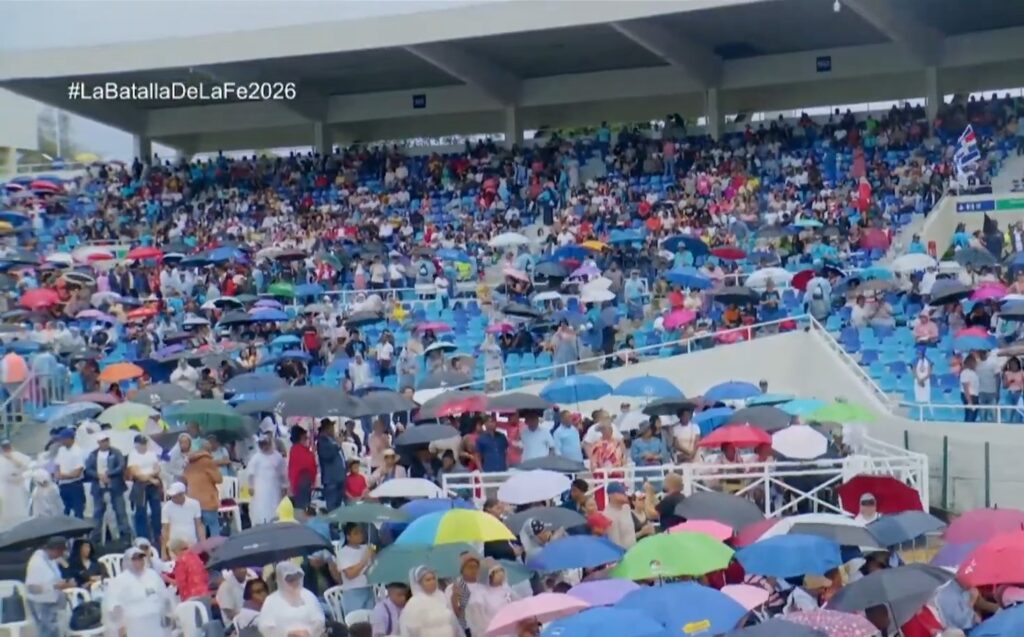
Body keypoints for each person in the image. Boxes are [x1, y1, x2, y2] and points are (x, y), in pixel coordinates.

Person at [104, 547, 172, 637]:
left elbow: (164, 595)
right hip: (133, 623)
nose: (139, 561)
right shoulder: (120, 580)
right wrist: (121, 626)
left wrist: (168, 614)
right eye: (135, 559)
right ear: (128, 561)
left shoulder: (152, 574)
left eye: (141, 558)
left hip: (155, 619)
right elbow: (114, 605)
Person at [257, 561, 326, 637]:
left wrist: (309, 632)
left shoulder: (308, 595)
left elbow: (319, 619)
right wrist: (287, 633)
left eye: (296, 578)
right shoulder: (271, 600)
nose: (294, 582)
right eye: (290, 579)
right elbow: (265, 627)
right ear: (281, 579)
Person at [25, 536, 74, 637]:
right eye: (61, 552)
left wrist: (63, 583)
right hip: (41, 603)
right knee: (47, 632)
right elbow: (31, 587)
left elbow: (54, 578)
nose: (61, 555)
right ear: (56, 549)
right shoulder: (37, 562)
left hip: (53, 602)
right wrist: (54, 586)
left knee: (55, 630)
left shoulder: (50, 559)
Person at [399, 566, 461, 637]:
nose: (432, 582)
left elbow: (453, 623)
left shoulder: (442, 597)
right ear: (420, 583)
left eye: (433, 578)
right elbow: (409, 631)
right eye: (428, 580)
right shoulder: (414, 603)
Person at [128, 434, 163, 542]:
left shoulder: (152, 454)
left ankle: (158, 535)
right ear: (136, 444)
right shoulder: (133, 456)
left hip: (153, 486)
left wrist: (150, 476)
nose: (143, 446)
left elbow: (157, 469)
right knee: (141, 512)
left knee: (156, 511)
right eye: (141, 444)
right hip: (140, 486)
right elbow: (136, 474)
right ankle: (143, 537)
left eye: (144, 443)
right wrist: (152, 479)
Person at [248, 433, 287, 525]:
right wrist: (251, 486)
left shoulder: (277, 457)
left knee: (274, 505)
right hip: (260, 487)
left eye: (266, 444)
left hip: (274, 486)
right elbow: (250, 474)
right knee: (261, 506)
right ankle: (261, 523)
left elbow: (282, 473)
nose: (264, 447)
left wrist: (284, 486)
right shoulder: (256, 458)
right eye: (262, 445)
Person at [466, 562, 514, 637]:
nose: (500, 574)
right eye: (496, 572)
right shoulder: (478, 595)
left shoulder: (506, 588)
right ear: (488, 575)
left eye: (501, 570)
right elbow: (479, 624)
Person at [160, 481, 204, 559]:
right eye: (172, 496)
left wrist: (203, 544)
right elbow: (165, 530)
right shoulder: (166, 508)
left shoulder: (194, 504)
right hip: (175, 546)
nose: (173, 498)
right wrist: (163, 551)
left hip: (191, 543)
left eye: (175, 496)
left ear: (182, 494)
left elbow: (199, 525)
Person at [338, 522, 376, 612]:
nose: (360, 535)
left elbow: (372, 567)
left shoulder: (366, 548)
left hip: (368, 588)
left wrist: (373, 557)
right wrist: (364, 561)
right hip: (353, 591)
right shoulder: (343, 552)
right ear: (348, 537)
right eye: (356, 533)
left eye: (361, 532)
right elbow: (350, 574)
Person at [53, 428, 85, 518]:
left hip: (74, 485)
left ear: (70, 439)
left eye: (63, 439)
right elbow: (57, 464)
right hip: (63, 485)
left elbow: (77, 472)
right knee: (65, 510)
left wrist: (63, 476)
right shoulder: (61, 450)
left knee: (78, 511)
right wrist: (57, 473)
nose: (61, 441)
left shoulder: (78, 452)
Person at [0, 438, 30, 531]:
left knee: (20, 511)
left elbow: (25, 466)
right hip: (5, 488)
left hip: (18, 487)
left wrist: (12, 458)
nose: (6, 448)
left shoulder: (19, 456)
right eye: (4, 446)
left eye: (7, 446)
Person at [317, 419, 347, 512]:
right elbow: (328, 456)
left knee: (338, 505)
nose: (333, 429)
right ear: (327, 429)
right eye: (331, 427)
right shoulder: (322, 442)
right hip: (331, 479)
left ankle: (336, 523)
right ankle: (332, 525)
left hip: (339, 477)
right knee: (332, 505)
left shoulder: (332, 440)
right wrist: (338, 445)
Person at [289, 426, 317, 511]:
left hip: (302, 481)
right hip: (302, 480)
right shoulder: (297, 449)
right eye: (305, 437)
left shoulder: (297, 449)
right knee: (303, 506)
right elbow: (308, 463)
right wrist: (312, 454)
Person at [960, 354, 980, 423]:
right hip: (970, 396)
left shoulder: (973, 372)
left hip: (974, 395)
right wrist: (969, 402)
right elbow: (966, 388)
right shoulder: (965, 372)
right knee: (970, 415)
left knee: (973, 415)